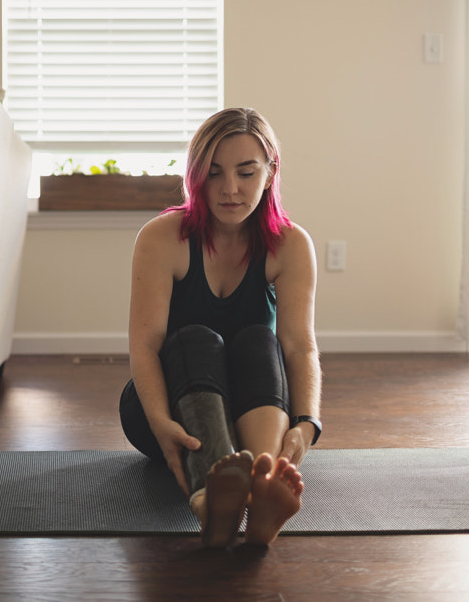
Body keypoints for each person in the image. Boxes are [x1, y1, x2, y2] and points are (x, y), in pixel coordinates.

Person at [120, 107, 322, 548]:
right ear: (195, 176)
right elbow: (145, 346)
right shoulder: (161, 238)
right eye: (214, 174)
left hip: (253, 414)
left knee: (256, 339)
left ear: (270, 174)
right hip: (171, 415)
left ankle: (262, 481)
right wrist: (158, 422)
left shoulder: (290, 245)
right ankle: (211, 500)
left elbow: (298, 347)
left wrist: (306, 424)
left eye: (246, 172)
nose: (230, 189)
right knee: (197, 339)